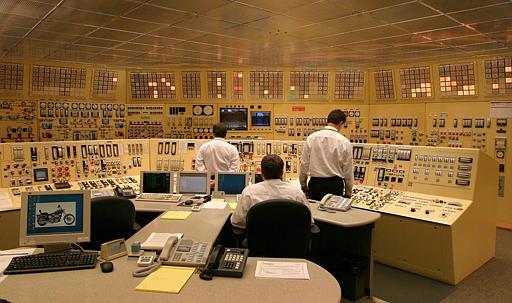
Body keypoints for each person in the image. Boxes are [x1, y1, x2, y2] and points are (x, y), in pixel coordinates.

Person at [231, 154, 312, 229]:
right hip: (290, 242)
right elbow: (310, 221)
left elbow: (237, 222)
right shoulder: (296, 193)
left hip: (258, 243)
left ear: (262, 173)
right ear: (282, 173)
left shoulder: (249, 192)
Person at [299, 109, 354, 201]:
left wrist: (303, 184)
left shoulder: (312, 138)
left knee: (315, 213)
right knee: (333, 214)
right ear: (341, 123)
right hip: (335, 186)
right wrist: (348, 192)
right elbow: (348, 171)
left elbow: (304, 164)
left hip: (315, 184)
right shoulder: (344, 142)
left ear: (328, 121)